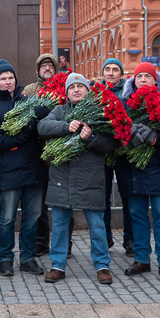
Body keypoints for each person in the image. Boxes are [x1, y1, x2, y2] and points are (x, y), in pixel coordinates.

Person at [37, 73, 120, 285]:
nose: (76, 90)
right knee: (60, 225)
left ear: (87, 90)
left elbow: (111, 144)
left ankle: (102, 266)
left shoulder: (98, 113)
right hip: (61, 178)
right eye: (72, 87)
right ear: (66, 92)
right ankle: (57, 266)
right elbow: (42, 127)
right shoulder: (60, 111)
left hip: (89, 179)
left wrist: (91, 137)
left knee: (97, 225)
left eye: (80, 86)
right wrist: (66, 126)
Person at [0, 59, 46, 277]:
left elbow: (38, 132)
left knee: (32, 216)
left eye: (11, 77)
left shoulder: (25, 99)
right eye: (3, 79)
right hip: (9, 171)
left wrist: (41, 117)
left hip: (34, 169)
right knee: (7, 218)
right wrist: (24, 133)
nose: (8, 82)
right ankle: (6, 258)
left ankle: (27, 257)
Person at [118, 63, 160, 281]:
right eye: (139, 76)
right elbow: (115, 132)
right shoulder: (125, 105)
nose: (143, 79)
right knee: (137, 216)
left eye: (148, 76)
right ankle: (142, 259)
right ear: (133, 81)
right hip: (133, 168)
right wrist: (128, 137)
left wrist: (155, 138)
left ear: (156, 80)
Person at [22, 53, 58, 254]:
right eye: (43, 66)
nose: (47, 69)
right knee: (40, 203)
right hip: (38, 153)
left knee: (63, 201)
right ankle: (41, 242)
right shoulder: (30, 90)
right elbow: (24, 115)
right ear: (38, 70)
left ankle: (65, 245)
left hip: (61, 153)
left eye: (50, 65)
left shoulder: (64, 86)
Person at [101, 58, 133, 256]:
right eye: (107, 69)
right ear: (103, 73)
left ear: (121, 74)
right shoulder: (95, 93)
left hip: (124, 152)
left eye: (115, 70)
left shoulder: (128, 93)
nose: (111, 73)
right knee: (102, 197)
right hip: (103, 152)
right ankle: (105, 237)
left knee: (128, 196)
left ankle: (130, 239)